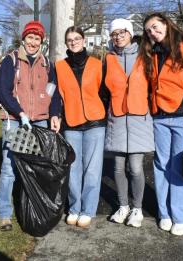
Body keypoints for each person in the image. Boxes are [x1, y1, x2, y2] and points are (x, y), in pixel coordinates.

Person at [139, 13, 183, 236]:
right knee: (161, 165)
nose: (152, 32)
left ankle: (182, 215)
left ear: (166, 24)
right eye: (148, 30)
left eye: (155, 27)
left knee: (181, 166)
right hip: (159, 117)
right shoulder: (152, 53)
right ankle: (165, 213)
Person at [0, 20, 61, 231]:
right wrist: (20, 112)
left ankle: (34, 207)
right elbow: (3, 92)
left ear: (42, 41)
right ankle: (5, 213)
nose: (33, 42)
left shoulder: (47, 64)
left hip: (40, 121)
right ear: (23, 39)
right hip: (16, 122)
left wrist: (54, 114)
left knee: (36, 169)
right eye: (30, 37)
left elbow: (54, 92)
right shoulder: (11, 60)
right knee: (9, 168)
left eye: (37, 38)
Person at [104, 19, 155, 228]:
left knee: (135, 168)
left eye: (122, 32)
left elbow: (153, 86)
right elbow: (103, 90)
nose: (118, 36)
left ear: (130, 33)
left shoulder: (145, 56)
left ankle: (137, 208)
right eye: (114, 33)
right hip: (116, 118)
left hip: (138, 119)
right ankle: (123, 206)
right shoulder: (108, 58)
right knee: (117, 168)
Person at [55, 26, 106, 228]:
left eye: (77, 38)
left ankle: (88, 210)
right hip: (72, 122)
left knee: (92, 169)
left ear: (84, 41)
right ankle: (75, 208)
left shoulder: (96, 64)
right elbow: (56, 96)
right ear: (66, 43)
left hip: (95, 122)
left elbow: (104, 92)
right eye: (70, 39)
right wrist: (56, 115)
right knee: (73, 169)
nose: (74, 42)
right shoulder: (59, 66)